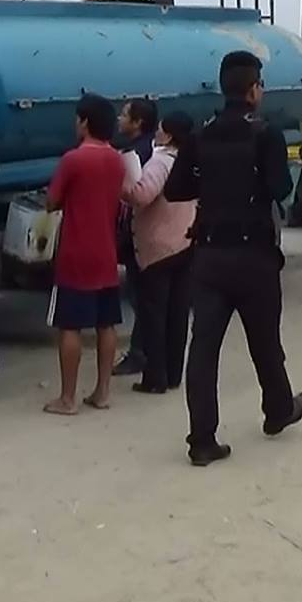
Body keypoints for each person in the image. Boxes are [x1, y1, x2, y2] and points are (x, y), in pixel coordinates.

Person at [165, 50, 302, 466]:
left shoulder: (200, 135)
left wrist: (211, 183)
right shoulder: (266, 135)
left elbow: (175, 190)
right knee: (264, 341)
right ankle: (278, 409)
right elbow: (280, 188)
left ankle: (202, 440)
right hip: (254, 256)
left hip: (209, 255)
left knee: (203, 350)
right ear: (253, 90)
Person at [43, 94, 128, 416]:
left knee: (69, 326)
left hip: (76, 253)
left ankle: (68, 398)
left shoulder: (73, 160)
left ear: (85, 122)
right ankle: (102, 392)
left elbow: (52, 202)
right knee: (106, 323)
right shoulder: (116, 160)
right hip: (106, 252)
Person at [124, 110, 197, 395]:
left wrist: (124, 185)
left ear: (168, 136)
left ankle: (155, 377)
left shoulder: (161, 161)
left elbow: (142, 195)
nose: (156, 133)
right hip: (184, 243)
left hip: (158, 247)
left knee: (154, 315)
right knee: (178, 313)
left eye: (161, 129)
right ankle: (174, 372)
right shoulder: (191, 160)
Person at [113, 98, 159, 378]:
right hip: (152, 232)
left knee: (141, 297)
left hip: (137, 233)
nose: (119, 119)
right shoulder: (153, 148)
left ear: (138, 122)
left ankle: (142, 352)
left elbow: (133, 196)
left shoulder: (135, 155)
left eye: (124, 115)